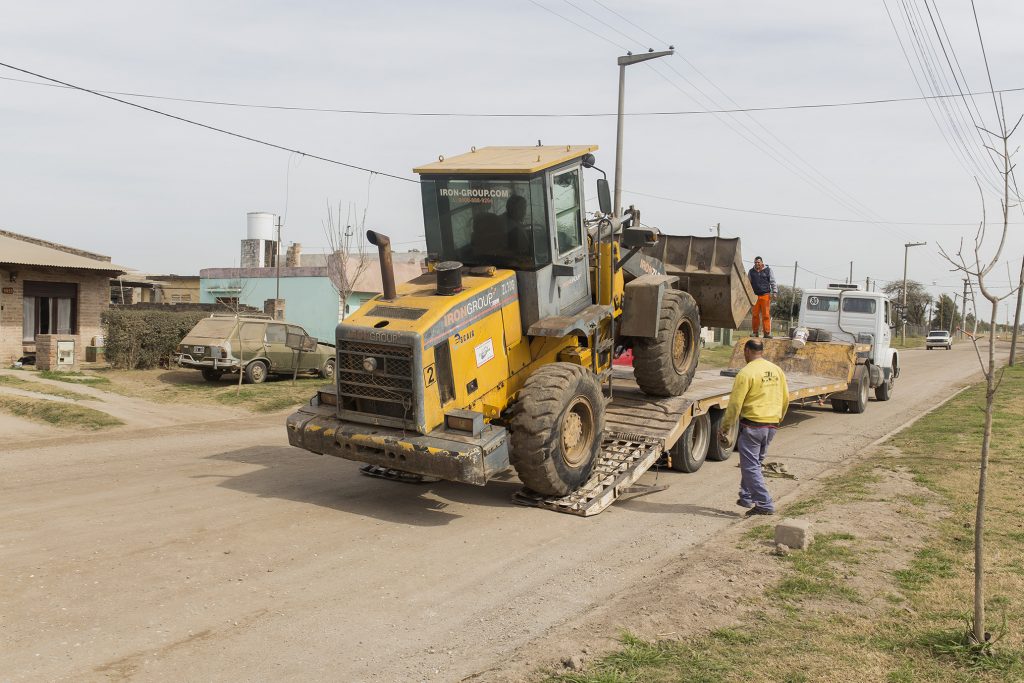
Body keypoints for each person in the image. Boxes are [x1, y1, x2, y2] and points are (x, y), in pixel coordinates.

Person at [719, 338, 789, 516]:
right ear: (761, 351)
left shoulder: (746, 373)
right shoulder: (776, 370)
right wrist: (777, 418)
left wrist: (725, 427)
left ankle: (764, 504)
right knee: (754, 464)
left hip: (753, 426)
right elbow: (785, 398)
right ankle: (746, 497)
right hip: (771, 425)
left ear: (747, 351)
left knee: (750, 467)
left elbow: (735, 404)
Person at [747, 256, 778, 338]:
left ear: (762, 262)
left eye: (758, 262)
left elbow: (773, 281)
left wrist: (775, 292)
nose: (757, 264)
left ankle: (767, 333)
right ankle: (755, 332)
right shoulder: (751, 272)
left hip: (765, 295)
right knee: (755, 315)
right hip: (755, 296)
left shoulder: (768, 270)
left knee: (766, 315)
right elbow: (748, 284)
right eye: (755, 262)